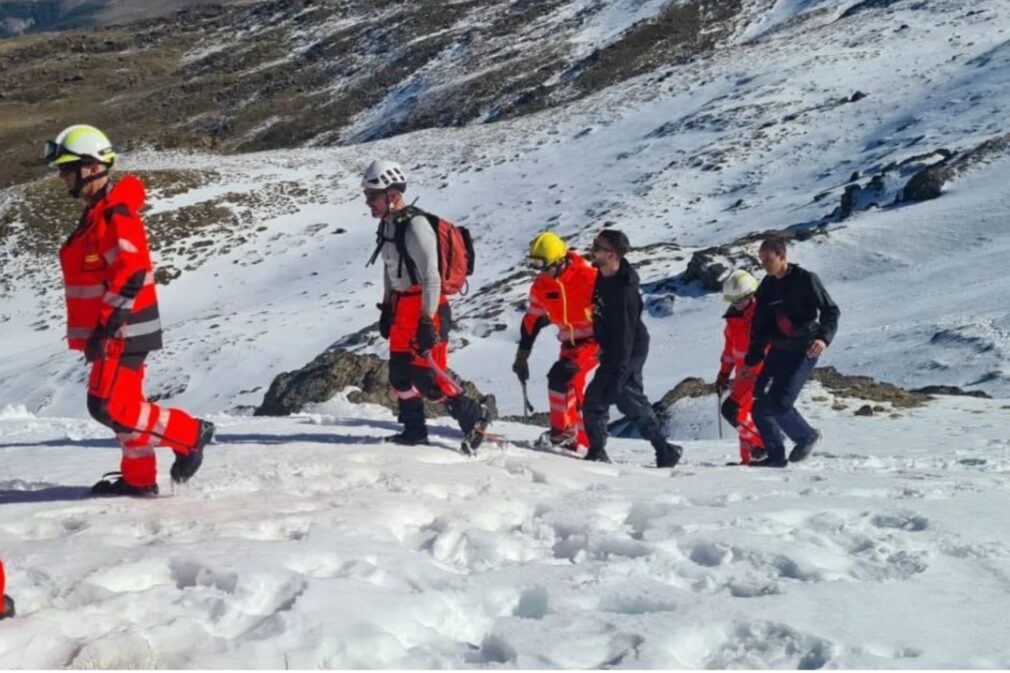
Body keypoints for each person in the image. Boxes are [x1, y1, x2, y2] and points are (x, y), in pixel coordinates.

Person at [44, 124, 214, 496]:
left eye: (67, 168)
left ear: (91, 167)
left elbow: (131, 270)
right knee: (125, 405)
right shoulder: (99, 213)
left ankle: (190, 434)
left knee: (108, 406)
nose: (61, 177)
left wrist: (107, 327)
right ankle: (139, 480)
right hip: (115, 329)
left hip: (123, 330)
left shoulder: (114, 214)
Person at [363, 160, 491, 452]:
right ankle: (414, 430)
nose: (368, 203)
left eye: (372, 196)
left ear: (392, 194)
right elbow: (389, 269)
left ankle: (475, 419)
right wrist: (386, 308)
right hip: (400, 307)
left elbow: (432, 277)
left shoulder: (416, 225)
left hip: (426, 307)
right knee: (399, 375)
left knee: (428, 377)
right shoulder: (389, 225)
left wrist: (426, 321)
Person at [581, 229, 682, 467]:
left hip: (629, 349)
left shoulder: (625, 290)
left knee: (627, 397)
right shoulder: (603, 275)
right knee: (596, 398)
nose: (593, 250)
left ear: (613, 255)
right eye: (594, 245)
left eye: (598, 247)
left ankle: (663, 449)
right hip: (613, 347)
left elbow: (626, 336)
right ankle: (598, 451)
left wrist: (619, 372)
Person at [742, 237, 840, 467]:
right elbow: (759, 326)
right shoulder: (766, 286)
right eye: (761, 258)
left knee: (780, 403)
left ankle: (807, 436)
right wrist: (753, 357)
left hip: (804, 350)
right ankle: (775, 458)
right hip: (778, 349)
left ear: (782, 257)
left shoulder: (806, 280)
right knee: (759, 405)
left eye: (768, 258)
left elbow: (831, 311)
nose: (763, 263)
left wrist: (824, 339)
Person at [512, 232, 598, 452]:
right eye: (536, 266)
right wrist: (522, 355)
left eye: (545, 266)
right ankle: (584, 444)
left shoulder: (589, 277)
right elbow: (532, 320)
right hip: (568, 344)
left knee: (562, 378)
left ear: (561, 261)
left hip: (595, 341)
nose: (541, 272)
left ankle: (563, 434)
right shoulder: (542, 286)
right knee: (571, 390)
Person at [716, 270, 767, 465]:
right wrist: (723, 374)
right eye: (732, 300)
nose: (735, 304)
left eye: (739, 299)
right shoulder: (733, 320)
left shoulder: (761, 317)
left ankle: (764, 445)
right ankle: (748, 461)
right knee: (744, 419)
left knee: (733, 412)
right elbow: (729, 352)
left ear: (750, 295)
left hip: (758, 374)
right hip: (741, 376)